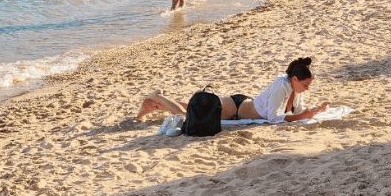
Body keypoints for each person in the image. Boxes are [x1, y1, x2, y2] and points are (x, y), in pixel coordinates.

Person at [136, 57, 329, 124]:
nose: (307, 88)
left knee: (191, 108)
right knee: (189, 113)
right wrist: (301, 117)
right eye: (305, 84)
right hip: (234, 109)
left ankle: (154, 105)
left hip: (239, 105)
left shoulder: (292, 90)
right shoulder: (281, 86)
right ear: (295, 79)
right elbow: (273, 117)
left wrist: (314, 110)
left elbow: (295, 112)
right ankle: (158, 96)